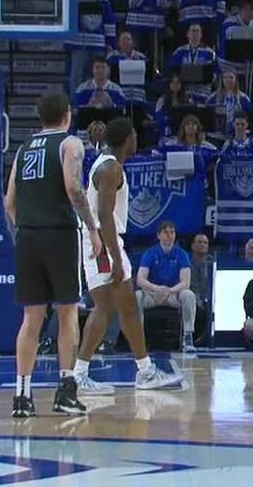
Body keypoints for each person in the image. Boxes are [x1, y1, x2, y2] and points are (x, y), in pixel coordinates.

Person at [4, 92, 101, 418]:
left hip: (28, 236)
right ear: (67, 115)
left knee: (31, 319)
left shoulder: (23, 148)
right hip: (59, 235)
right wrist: (92, 228)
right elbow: (73, 188)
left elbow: (9, 204)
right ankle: (65, 391)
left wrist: (28, 228)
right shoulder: (70, 144)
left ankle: (22, 396)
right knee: (67, 313)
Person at [71, 118, 183, 395]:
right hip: (101, 241)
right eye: (133, 135)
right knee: (115, 307)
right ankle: (136, 372)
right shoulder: (110, 169)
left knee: (117, 307)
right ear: (126, 139)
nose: (137, 140)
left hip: (98, 240)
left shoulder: (107, 163)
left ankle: (95, 374)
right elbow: (105, 216)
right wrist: (116, 258)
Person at [135, 221, 198, 353]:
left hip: (173, 294)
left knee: (188, 294)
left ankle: (188, 337)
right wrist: (157, 289)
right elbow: (140, 279)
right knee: (137, 296)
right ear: (158, 235)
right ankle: (138, 338)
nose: (169, 235)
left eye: (172, 232)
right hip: (153, 294)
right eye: (165, 232)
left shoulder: (182, 254)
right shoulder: (150, 253)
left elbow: (185, 282)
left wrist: (169, 291)